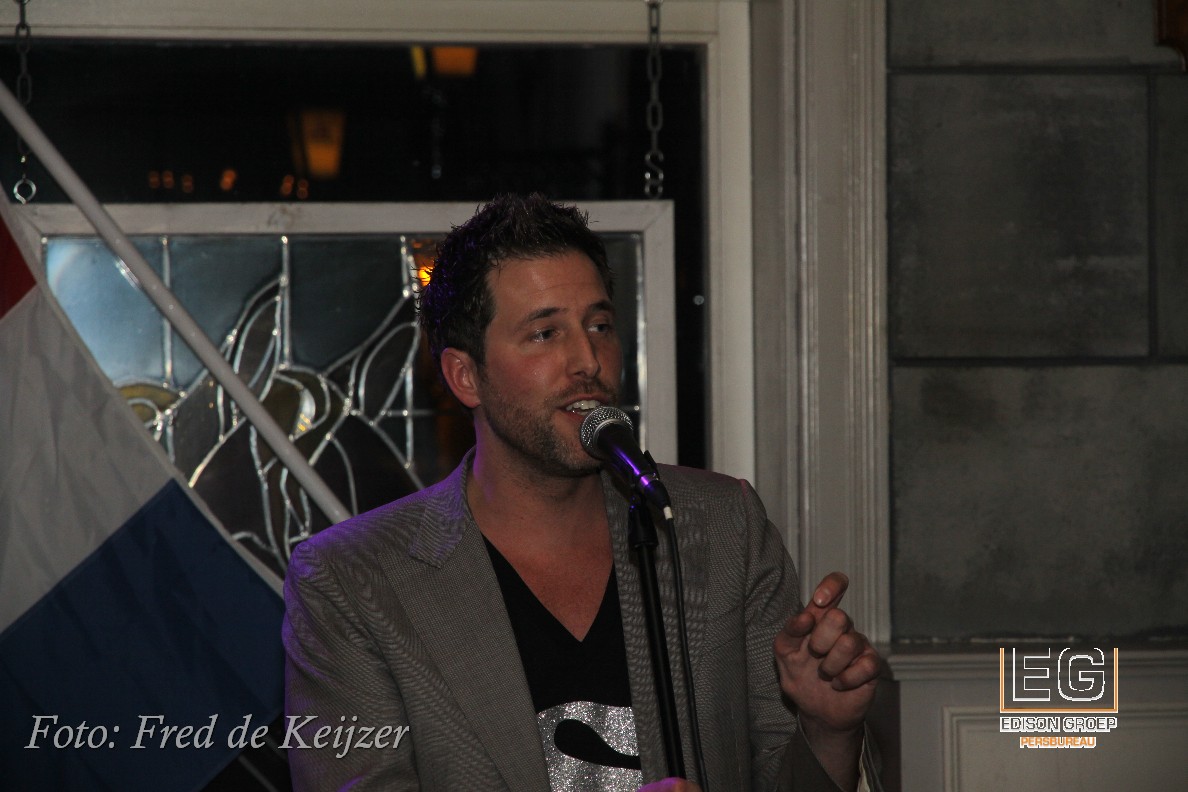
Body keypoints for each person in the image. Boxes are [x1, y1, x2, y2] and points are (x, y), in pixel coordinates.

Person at [282, 194, 882, 791]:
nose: (588, 360)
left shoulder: (726, 527)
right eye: (545, 333)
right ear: (466, 376)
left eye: (599, 326)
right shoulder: (351, 581)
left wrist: (829, 730)